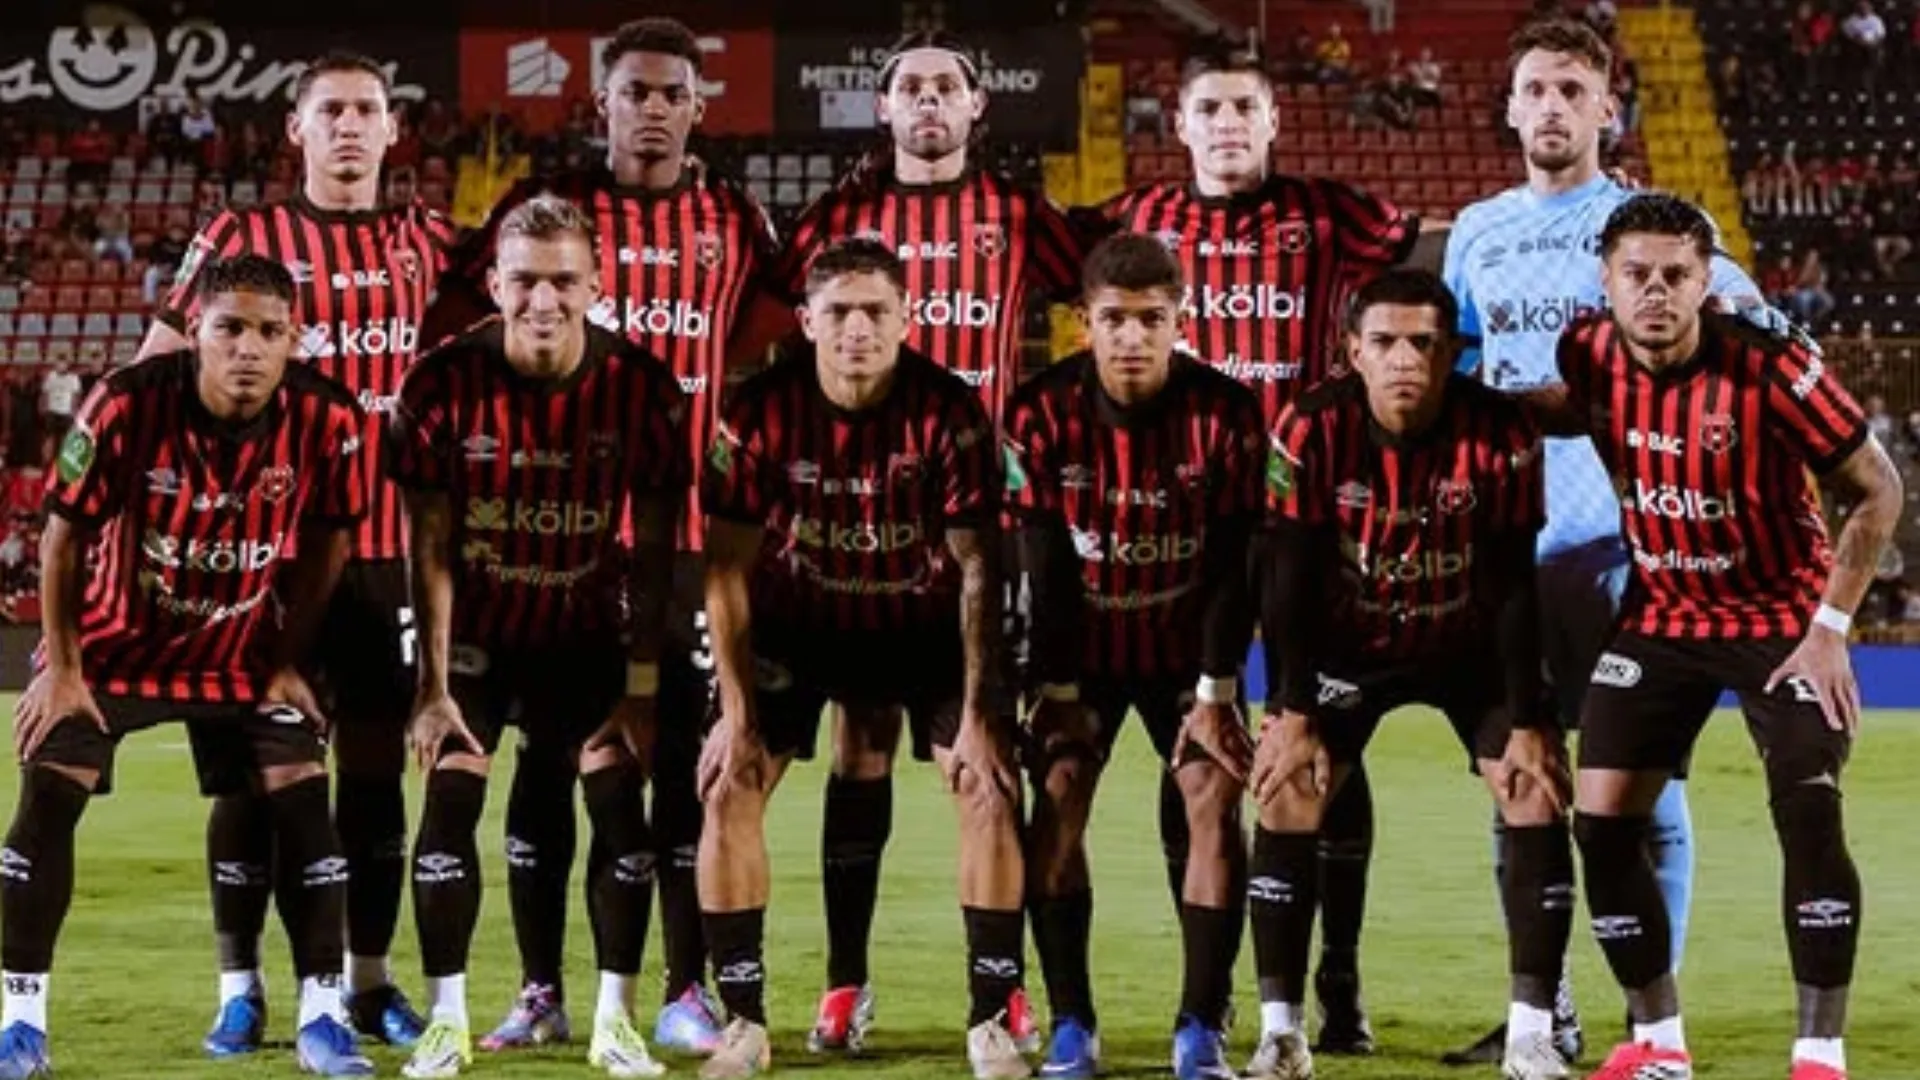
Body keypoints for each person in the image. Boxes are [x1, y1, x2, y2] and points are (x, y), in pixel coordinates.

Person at [1439, 17, 1789, 1065]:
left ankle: (1652, 1017)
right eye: (1535, 88)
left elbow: (1753, 339)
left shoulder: (1657, 228)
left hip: (1632, 550)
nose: (1551, 106)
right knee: (1521, 777)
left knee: (1645, 789)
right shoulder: (1475, 230)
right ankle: (1544, 1008)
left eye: (1572, 89)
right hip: (1509, 551)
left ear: (1608, 109)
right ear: (1509, 108)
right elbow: (1455, 377)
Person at [425, 17, 772, 1055]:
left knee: (669, 761)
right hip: (552, 538)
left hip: (682, 545)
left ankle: (679, 986)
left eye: (673, 92)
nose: (653, 108)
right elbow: (461, 332)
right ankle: (542, 992)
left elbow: (774, 349)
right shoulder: (546, 215)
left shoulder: (738, 221)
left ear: (698, 107)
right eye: (636, 91)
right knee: (543, 759)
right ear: (604, 102)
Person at [1101, 43, 1435, 1065]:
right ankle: (1210, 996)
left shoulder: (1332, 213)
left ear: (1274, 119)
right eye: (1211, 107)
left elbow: (1417, 253)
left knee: (1326, 738)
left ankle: (1336, 980)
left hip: (1311, 521)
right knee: (1190, 742)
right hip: (1188, 519)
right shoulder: (1140, 223)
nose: (1230, 123)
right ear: (1181, 120)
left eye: (1247, 105)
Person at [764, 30, 1085, 1055]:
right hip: (853, 526)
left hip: (972, 537)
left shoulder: (1021, 216)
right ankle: (845, 989)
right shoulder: (840, 220)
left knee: (987, 756)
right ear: (883, 109)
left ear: (976, 107)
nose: (929, 100)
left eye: (949, 84)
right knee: (856, 750)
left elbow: (1106, 296)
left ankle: (1002, 994)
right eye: (910, 85)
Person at [1533, 193, 1903, 1080]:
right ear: (1606, 281)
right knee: (1602, 819)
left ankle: (1820, 1055)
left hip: (1782, 620)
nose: (1655, 292)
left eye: (1675, 276)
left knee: (1808, 811)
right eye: (1637, 276)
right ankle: (1658, 1043)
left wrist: (1829, 629)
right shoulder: (1584, 351)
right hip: (1662, 614)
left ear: (1706, 282)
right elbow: (1565, 408)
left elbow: (1879, 488)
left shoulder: (1772, 368)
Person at [143, 50, 456, 1055]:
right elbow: (155, 377)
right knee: (246, 781)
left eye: (369, 109)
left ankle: (368, 984)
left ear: (394, 130)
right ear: (297, 131)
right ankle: (241, 989)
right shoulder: (240, 236)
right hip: (256, 566)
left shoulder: (434, 245)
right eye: (332, 111)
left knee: (371, 776)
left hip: (384, 559)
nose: (352, 126)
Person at [0, 254, 375, 1078]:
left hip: (240, 653)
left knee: (304, 802)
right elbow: (61, 534)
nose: (249, 348)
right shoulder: (126, 403)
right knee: (48, 794)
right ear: (195, 329)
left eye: (270, 332)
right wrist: (62, 668)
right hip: (113, 647)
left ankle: (320, 1016)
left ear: (295, 340)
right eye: (230, 328)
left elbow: (331, 543)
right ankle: (19, 1023)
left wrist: (283, 661)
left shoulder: (330, 418)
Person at [694, 238, 1027, 1080]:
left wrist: (984, 715)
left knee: (988, 786)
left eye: (876, 311)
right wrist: (734, 711)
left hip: (922, 634)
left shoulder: (950, 411)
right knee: (728, 784)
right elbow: (724, 566)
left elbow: (980, 566)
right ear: (806, 322)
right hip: (798, 630)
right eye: (837, 312)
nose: (856, 328)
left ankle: (991, 1016)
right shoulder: (757, 411)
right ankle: (744, 1020)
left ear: (906, 320)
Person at [386, 195, 690, 1080]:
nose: (544, 300)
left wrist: (639, 684)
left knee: (614, 806)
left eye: (564, 280)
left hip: (587, 638)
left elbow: (658, 551)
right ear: (494, 283)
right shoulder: (438, 384)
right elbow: (429, 547)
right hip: (478, 640)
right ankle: (447, 1023)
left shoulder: (642, 387)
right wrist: (431, 688)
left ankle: (613, 1022)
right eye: (525, 280)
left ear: (597, 285)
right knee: (450, 796)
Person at [1245, 268, 1571, 1080]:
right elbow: (1286, 578)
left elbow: (1513, 582)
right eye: (1384, 342)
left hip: (1467, 648)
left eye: (1423, 343)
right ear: (1352, 350)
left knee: (1533, 789)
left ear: (1451, 353)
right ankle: (1282, 1034)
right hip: (1352, 652)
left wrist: (1529, 718)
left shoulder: (1501, 432)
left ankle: (1532, 1033)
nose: (1404, 360)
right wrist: (1290, 707)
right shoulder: (1310, 428)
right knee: (1290, 790)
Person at [1006, 234, 1265, 1080]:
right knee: (1059, 800)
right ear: (1085, 322)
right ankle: (1072, 1023)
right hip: (1080, 648)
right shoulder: (1039, 411)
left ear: (1178, 320)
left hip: (1187, 650)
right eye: (1114, 320)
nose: (1132, 337)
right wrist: (1057, 686)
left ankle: (1200, 1026)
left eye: (1152, 320)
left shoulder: (1226, 412)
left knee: (1211, 799)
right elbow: (1042, 563)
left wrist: (1217, 688)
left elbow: (1235, 564)